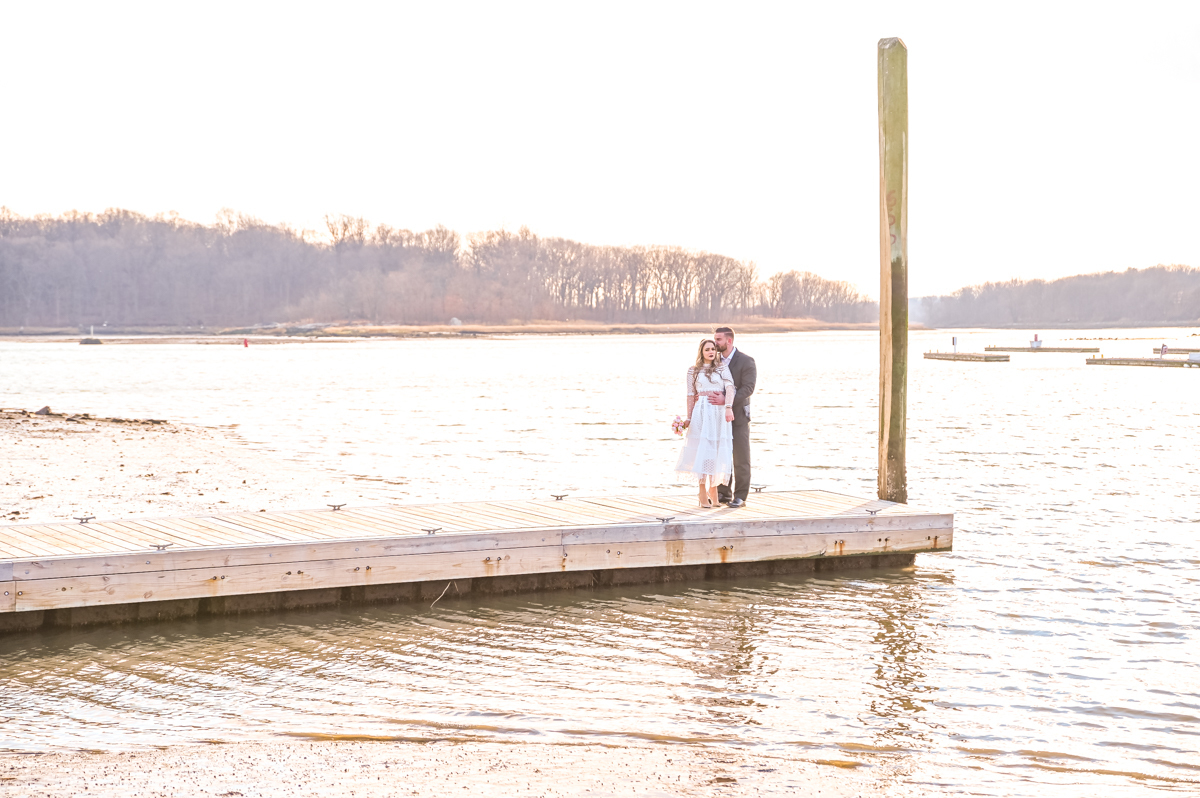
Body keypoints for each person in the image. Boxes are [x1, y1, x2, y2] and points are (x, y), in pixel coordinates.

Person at [675, 339, 735, 508]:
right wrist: (689, 417)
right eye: (707, 349)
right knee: (702, 449)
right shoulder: (693, 371)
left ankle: (713, 489)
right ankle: (702, 490)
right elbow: (690, 394)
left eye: (713, 349)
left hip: (718, 413)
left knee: (715, 450)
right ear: (701, 351)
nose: (710, 351)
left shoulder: (722, 368)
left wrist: (729, 406)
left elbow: (730, 387)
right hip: (701, 412)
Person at [707, 326, 756, 507]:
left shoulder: (746, 361)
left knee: (741, 456)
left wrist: (726, 399)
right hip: (717, 416)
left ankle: (740, 496)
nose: (714, 343)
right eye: (714, 339)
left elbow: (748, 389)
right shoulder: (713, 361)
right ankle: (723, 493)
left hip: (739, 415)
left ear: (729, 341)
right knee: (721, 455)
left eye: (718, 339)